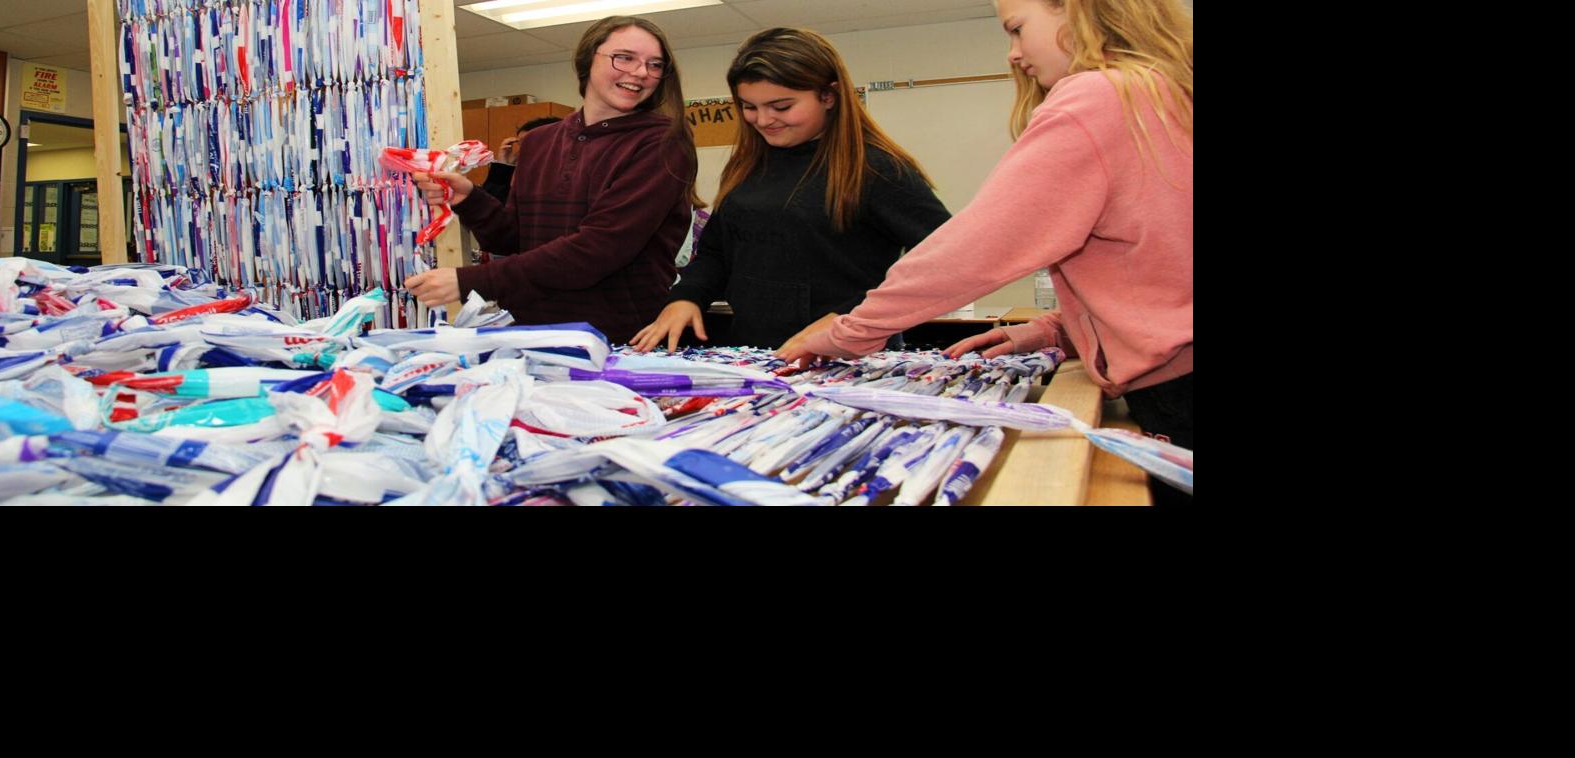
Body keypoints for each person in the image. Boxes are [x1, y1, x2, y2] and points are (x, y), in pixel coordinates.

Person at [775, 0, 1193, 505]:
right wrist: (1057, 329)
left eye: (1017, 30)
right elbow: (1159, 259)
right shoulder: (1164, 91)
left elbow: (974, 248)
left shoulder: (1098, 95)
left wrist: (852, 331)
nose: (1014, 54)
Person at [629, 27, 952, 352]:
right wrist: (686, 298)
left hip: (846, 358)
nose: (763, 120)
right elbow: (717, 252)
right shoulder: (750, 164)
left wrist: (853, 318)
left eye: (781, 107)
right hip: (757, 354)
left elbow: (945, 259)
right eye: (749, 106)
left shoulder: (876, 168)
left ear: (829, 96)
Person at [403, 16, 701, 343]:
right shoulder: (539, 141)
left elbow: (598, 249)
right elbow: (515, 240)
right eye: (625, 57)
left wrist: (470, 280)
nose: (641, 72)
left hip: (620, 341)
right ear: (587, 59)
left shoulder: (662, 143)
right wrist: (471, 199)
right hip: (534, 334)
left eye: (655, 64)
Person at [479, 116, 563, 203]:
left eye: (529, 143)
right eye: (520, 144)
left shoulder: (567, 183)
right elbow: (494, 210)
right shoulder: (528, 183)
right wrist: (503, 165)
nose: (521, 152)